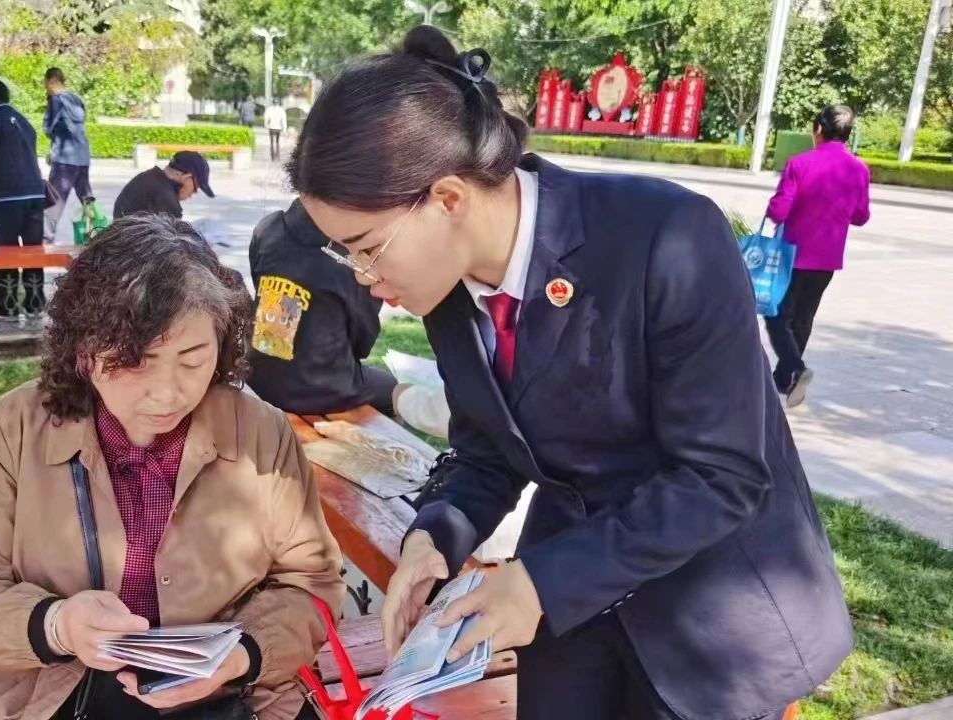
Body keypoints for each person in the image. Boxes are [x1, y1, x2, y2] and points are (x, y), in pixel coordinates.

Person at [287, 26, 852, 720]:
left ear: (448, 199)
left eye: (367, 247)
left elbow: (722, 476)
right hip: (572, 612)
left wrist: (539, 584)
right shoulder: (448, 284)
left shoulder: (665, 237)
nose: (363, 276)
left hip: (711, 619)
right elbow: (487, 449)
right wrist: (433, 538)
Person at [0, 215, 344, 720]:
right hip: (63, 695)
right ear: (83, 349)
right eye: (135, 362)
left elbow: (312, 584)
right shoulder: (13, 429)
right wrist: (58, 625)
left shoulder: (261, 431)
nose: (167, 394)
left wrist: (239, 656)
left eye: (193, 360)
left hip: (233, 696)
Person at [764, 104, 871, 408]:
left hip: (794, 253)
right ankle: (784, 378)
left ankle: (795, 369)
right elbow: (861, 216)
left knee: (776, 314)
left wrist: (773, 207)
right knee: (804, 316)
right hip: (827, 257)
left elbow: (779, 210)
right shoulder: (859, 169)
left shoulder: (800, 163)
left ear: (819, 129)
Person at [247, 199, 397, 415]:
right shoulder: (352, 257)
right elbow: (363, 343)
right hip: (323, 389)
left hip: (258, 376)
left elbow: (261, 289)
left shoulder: (268, 228)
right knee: (394, 389)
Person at [0, 78, 47, 317]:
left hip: (9, 196)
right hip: (36, 193)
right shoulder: (23, 121)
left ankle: (7, 305)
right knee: (34, 250)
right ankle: (35, 304)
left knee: (7, 251)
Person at [42, 67, 94, 243]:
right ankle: (96, 232)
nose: (45, 87)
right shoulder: (76, 99)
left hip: (64, 159)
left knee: (54, 199)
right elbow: (75, 129)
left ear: (52, 81)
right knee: (86, 198)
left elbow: (49, 128)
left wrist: (55, 149)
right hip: (82, 156)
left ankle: (45, 239)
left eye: (46, 83)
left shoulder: (56, 100)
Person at [112, 151, 214, 220]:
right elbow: (171, 241)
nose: (193, 194)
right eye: (195, 188)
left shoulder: (149, 177)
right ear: (187, 178)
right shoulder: (165, 198)